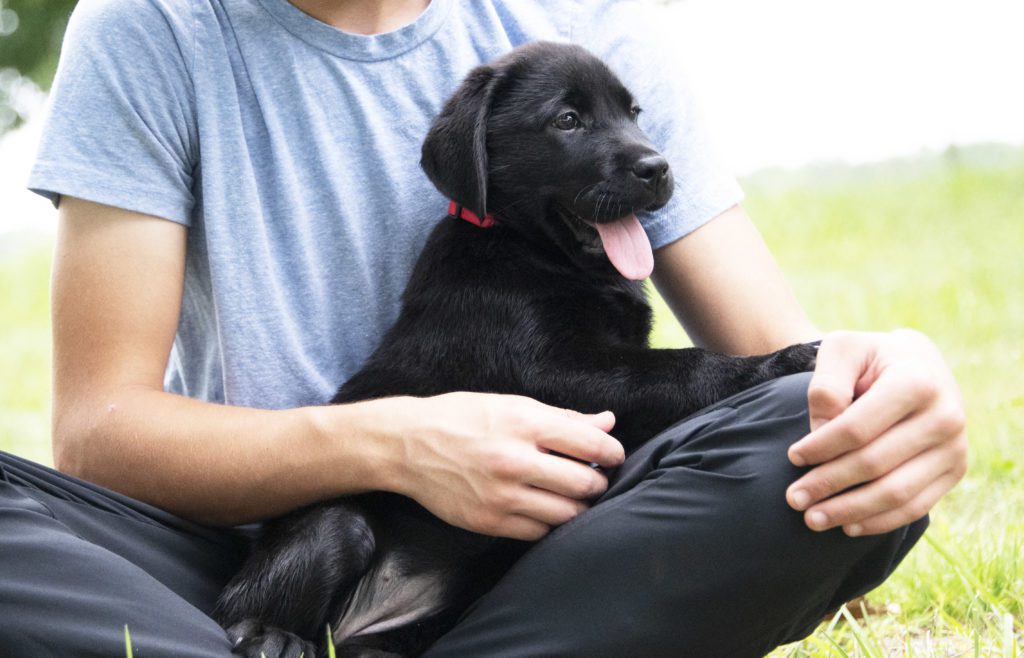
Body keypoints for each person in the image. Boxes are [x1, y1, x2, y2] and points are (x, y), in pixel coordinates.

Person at [0, 0, 967, 655]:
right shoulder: (153, 25)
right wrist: (393, 444)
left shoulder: (580, 17)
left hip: (558, 551)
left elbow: (791, 374)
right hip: (251, 551)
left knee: (827, 443)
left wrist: (888, 387)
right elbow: (98, 436)